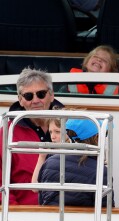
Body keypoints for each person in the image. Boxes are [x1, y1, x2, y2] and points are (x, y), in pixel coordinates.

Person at [0, 68, 64, 205]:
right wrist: (16, 212)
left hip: (68, 211)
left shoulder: (71, 126)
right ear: (20, 100)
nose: (35, 100)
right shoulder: (7, 132)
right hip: (24, 215)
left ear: (52, 95)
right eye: (29, 96)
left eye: (41, 94)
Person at [38, 118, 112, 207]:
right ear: (97, 138)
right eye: (104, 134)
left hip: (50, 218)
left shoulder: (49, 163)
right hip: (84, 220)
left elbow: (42, 200)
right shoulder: (101, 171)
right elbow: (105, 210)